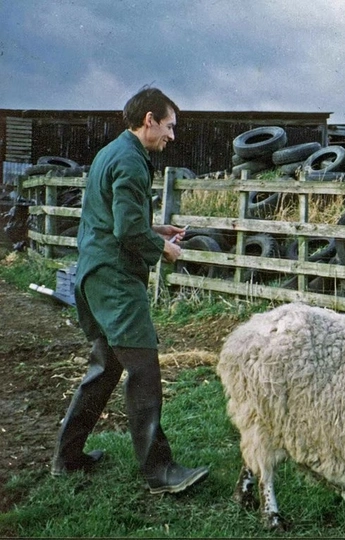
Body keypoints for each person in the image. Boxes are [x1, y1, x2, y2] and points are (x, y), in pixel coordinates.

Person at [51, 87, 209, 494]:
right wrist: (164, 249)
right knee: (143, 369)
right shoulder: (130, 161)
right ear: (149, 120)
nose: (172, 135)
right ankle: (160, 472)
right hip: (115, 281)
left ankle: (67, 458)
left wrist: (157, 230)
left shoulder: (112, 152)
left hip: (96, 273)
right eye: (169, 126)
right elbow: (125, 231)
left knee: (105, 367)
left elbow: (115, 219)